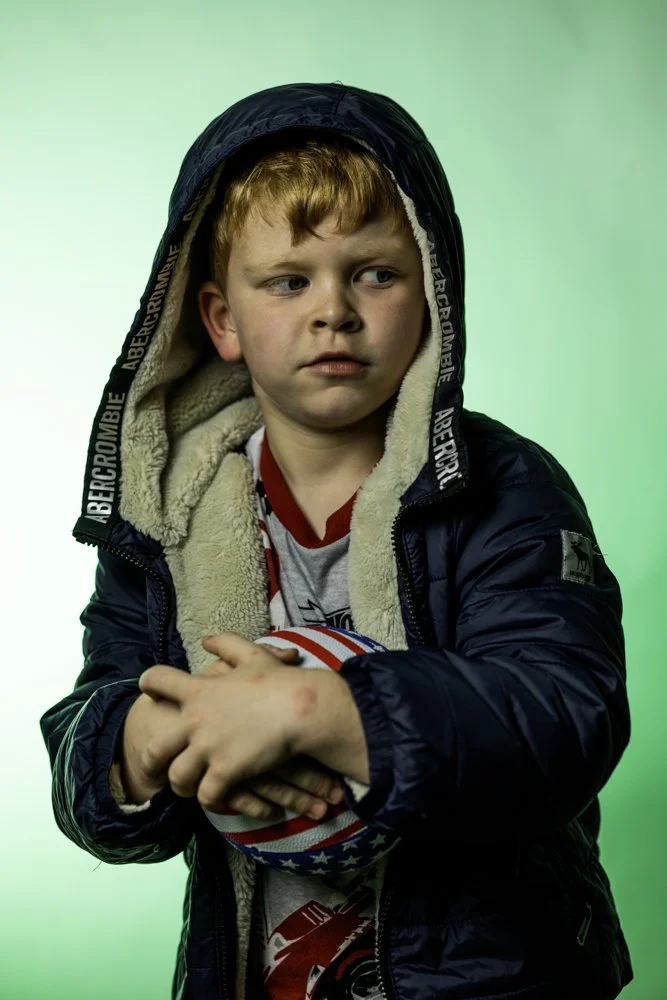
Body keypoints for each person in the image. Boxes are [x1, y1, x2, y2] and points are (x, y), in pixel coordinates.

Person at [40, 82, 633, 1000]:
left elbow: (563, 712)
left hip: (494, 975)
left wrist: (317, 712)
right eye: (288, 281)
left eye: (375, 274)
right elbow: (90, 727)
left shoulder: (506, 488)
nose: (334, 311)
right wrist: (144, 740)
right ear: (222, 319)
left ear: (432, 293)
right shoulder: (166, 514)